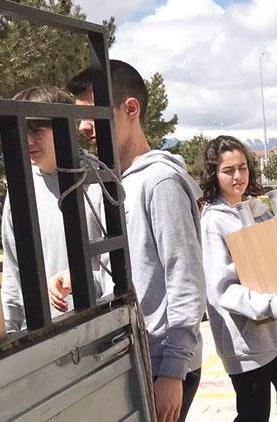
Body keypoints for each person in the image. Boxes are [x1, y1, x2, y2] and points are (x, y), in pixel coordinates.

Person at [63, 60, 206, 422]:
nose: (83, 127)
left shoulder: (160, 182)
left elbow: (185, 281)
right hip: (128, 354)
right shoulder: (110, 184)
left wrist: (173, 371)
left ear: (131, 109)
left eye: (93, 113)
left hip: (163, 364)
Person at [199, 135, 277, 422]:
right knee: (254, 416)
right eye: (228, 170)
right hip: (248, 343)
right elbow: (221, 290)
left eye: (242, 167)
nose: (238, 176)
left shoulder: (259, 209)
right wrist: (271, 306)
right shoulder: (213, 221)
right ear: (214, 174)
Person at [1, 86, 105, 333]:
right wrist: (12, 332)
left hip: (98, 331)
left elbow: (123, 266)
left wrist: (82, 278)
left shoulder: (98, 180)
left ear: (63, 126)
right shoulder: (20, 185)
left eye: (36, 130)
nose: (27, 140)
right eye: (21, 130)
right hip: (40, 336)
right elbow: (15, 271)